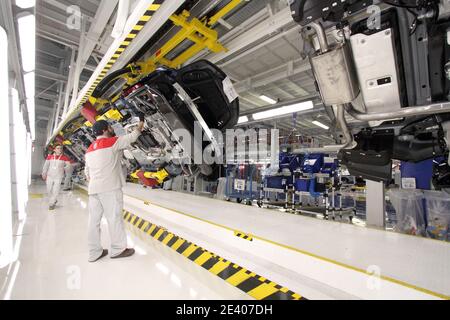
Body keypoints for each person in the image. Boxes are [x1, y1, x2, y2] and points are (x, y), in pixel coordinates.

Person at [85, 117, 144, 262]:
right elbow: (133, 136)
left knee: (93, 222)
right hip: (110, 188)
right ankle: (118, 250)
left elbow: (87, 173)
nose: (112, 129)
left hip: (93, 189)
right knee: (114, 218)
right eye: (110, 127)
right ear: (105, 130)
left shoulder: (89, 149)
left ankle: (94, 252)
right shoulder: (112, 142)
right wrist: (141, 123)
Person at [42, 145, 71, 210]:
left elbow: (68, 165)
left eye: (61, 148)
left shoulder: (65, 158)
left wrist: (64, 168)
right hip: (50, 176)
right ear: (54, 150)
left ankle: (51, 203)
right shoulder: (50, 157)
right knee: (49, 190)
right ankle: (54, 200)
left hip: (58, 177)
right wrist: (44, 173)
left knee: (56, 190)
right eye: (58, 148)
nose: (59, 149)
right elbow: (46, 166)